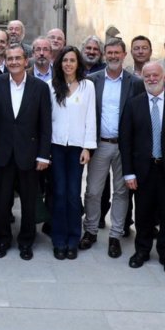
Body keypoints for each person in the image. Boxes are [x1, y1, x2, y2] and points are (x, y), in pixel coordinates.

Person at [120, 62, 165, 276]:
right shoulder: (133, 104)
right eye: (147, 76)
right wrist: (128, 172)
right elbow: (126, 142)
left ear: (164, 77)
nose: (151, 79)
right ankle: (141, 251)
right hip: (143, 170)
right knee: (143, 213)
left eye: (155, 75)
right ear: (142, 78)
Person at [79, 38, 144, 258]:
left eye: (117, 52)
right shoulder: (92, 81)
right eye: (110, 52)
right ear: (104, 55)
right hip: (100, 144)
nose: (113, 56)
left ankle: (115, 235)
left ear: (124, 55)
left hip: (124, 147)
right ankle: (90, 230)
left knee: (121, 192)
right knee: (93, 191)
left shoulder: (135, 83)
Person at [0, 44, 51, 260]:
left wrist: (43, 154)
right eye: (10, 58)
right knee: (2, 200)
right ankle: (3, 239)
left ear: (26, 60)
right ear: (5, 62)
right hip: (2, 152)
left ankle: (26, 241)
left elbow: (45, 124)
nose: (14, 62)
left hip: (29, 154)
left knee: (29, 202)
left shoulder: (39, 87)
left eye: (17, 58)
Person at [49, 45, 97, 260]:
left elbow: (90, 118)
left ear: (78, 64)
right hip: (56, 146)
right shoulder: (51, 86)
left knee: (73, 194)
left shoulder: (88, 86)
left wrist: (88, 147)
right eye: (65, 60)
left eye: (72, 60)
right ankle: (59, 240)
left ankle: (73, 239)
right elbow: (47, 120)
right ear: (60, 64)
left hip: (77, 147)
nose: (68, 64)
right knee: (59, 193)